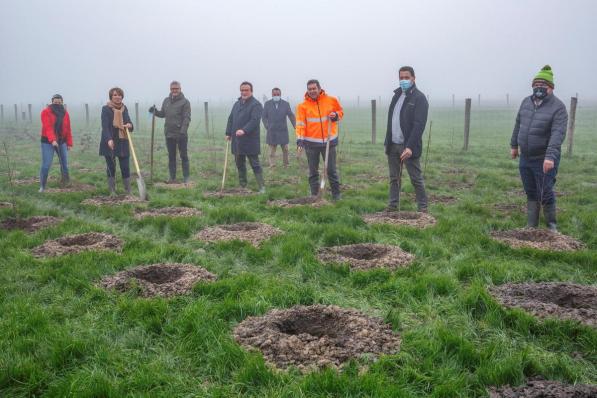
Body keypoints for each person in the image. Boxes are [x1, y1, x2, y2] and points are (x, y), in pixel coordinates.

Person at [511, 65, 567, 231]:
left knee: (545, 192)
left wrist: (550, 156)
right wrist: (514, 145)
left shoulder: (558, 107)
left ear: (551, 88)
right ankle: (531, 226)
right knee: (531, 192)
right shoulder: (526, 102)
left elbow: (558, 134)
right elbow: (518, 124)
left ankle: (552, 227)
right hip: (526, 157)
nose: (539, 88)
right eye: (536, 85)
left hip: (544, 158)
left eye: (543, 85)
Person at [384, 66, 429, 212]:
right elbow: (392, 120)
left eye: (406, 77)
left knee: (416, 179)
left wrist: (409, 147)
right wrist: (388, 142)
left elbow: (419, 125)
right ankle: (392, 206)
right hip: (393, 144)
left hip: (408, 146)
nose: (403, 80)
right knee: (394, 179)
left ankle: (423, 209)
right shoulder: (396, 95)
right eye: (401, 78)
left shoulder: (419, 98)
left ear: (413, 79)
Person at [295, 79, 343, 200]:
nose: (312, 91)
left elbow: (340, 111)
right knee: (313, 171)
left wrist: (336, 115)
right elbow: (300, 124)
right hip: (311, 144)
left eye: (314, 88)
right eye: (309, 89)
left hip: (329, 141)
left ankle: (336, 195)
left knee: (331, 170)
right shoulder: (302, 106)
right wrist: (300, 140)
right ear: (307, 90)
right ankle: (315, 195)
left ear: (319, 88)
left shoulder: (331, 100)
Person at [225, 81, 265, 192]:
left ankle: (262, 187)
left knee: (255, 164)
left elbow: (254, 121)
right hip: (237, 141)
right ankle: (243, 186)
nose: (244, 92)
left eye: (246, 90)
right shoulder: (237, 104)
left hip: (250, 140)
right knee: (239, 164)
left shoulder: (256, 105)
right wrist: (228, 133)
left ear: (251, 91)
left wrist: (244, 130)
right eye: (242, 90)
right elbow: (231, 119)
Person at [149, 81, 192, 183]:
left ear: (180, 89)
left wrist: (183, 131)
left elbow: (187, 118)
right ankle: (172, 178)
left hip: (181, 134)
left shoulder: (185, 102)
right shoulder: (166, 101)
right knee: (171, 156)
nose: (174, 90)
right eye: (173, 89)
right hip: (169, 133)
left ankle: (186, 178)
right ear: (170, 89)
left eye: (176, 88)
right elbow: (163, 114)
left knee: (183, 156)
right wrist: (154, 111)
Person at [99, 87, 134, 195]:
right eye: (115, 95)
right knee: (111, 167)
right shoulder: (106, 109)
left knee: (125, 167)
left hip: (123, 141)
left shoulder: (124, 108)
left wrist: (129, 125)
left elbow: (129, 123)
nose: (117, 97)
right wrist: (109, 139)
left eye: (119, 95)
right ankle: (112, 191)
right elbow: (105, 126)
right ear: (111, 97)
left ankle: (128, 192)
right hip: (110, 141)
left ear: (122, 96)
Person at [39, 94, 73, 192]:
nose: (57, 104)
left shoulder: (65, 113)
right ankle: (42, 186)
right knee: (46, 164)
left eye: (59, 102)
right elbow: (47, 127)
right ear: (52, 102)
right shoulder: (45, 112)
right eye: (55, 102)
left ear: (62, 102)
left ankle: (66, 182)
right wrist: (53, 140)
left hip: (62, 141)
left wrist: (69, 143)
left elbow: (68, 129)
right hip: (47, 141)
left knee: (64, 164)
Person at [262, 87, 295, 167]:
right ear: (272, 94)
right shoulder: (267, 104)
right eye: (274, 94)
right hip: (271, 131)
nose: (276, 95)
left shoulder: (285, 104)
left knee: (285, 150)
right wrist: (267, 126)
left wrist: (296, 126)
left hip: (283, 131)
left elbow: (291, 115)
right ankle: (272, 165)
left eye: (278, 94)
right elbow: (264, 117)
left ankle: (286, 165)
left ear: (280, 94)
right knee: (271, 152)